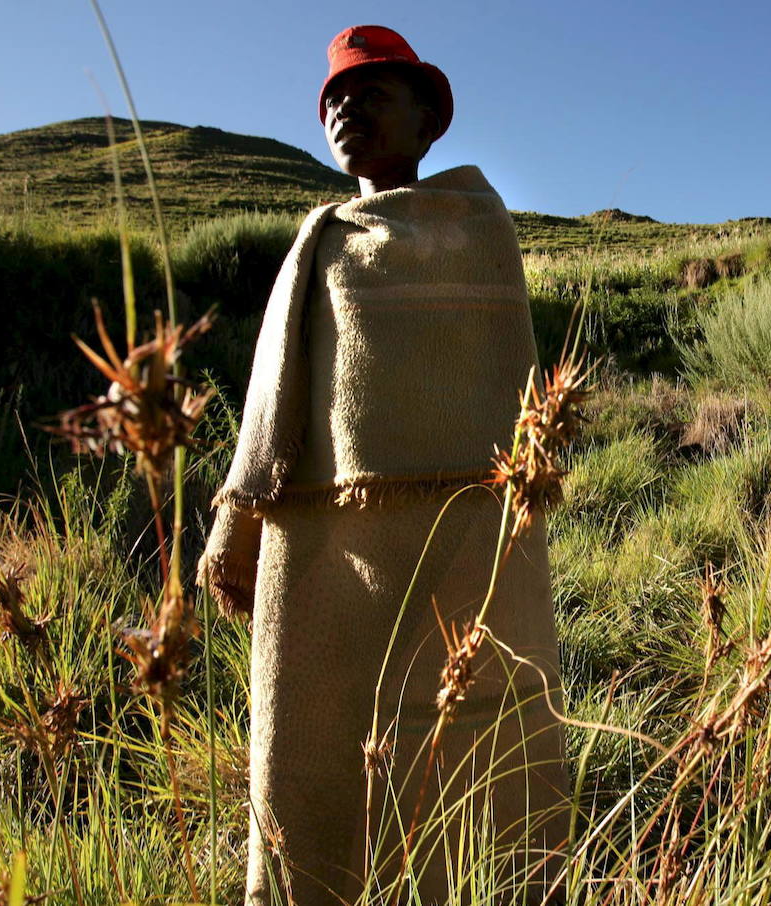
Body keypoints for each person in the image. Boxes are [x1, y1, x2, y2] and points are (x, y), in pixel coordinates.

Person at [197, 24, 570, 906]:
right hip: (329, 548)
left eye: (371, 94)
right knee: (317, 739)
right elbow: (280, 403)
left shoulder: (480, 228)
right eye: (333, 98)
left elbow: (505, 392)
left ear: (427, 118)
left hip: (466, 542)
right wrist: (245, 517)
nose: (346, 109)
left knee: (475, 742)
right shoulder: (317, 242)